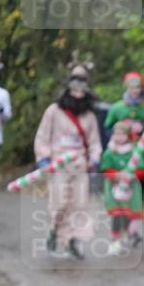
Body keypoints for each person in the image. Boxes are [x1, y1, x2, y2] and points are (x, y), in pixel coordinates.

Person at [34, 74, 103, 260]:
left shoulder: (89, 115)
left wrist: (94, 158)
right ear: (68, 89)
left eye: (82, 88)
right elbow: (42, 136)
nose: (78, 92)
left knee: (79, 205)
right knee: (59, 204)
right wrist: (43, 158)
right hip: (58, 165)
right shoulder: (54, 111)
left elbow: (94, 141)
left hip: (80, 166)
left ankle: (73, 241)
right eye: (75, 88)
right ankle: (54, 232)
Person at [105, 72, 144, 195]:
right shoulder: (117, 108)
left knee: (139, 180)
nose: (135, 91)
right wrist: (119, 135)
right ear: (126, 88)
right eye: (132, 88)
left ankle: (138, 203)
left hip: (143, 150)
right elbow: (107, 129)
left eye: (138, 87)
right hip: (122, 152)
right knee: (121, 179)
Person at [99, 120, 144, 254]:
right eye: (116, 134)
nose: (118, 137)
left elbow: (141, 168)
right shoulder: (109, 152)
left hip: (131, 188)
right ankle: (115, 240)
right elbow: (106, 169)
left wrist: (132, 175)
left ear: (128, 136)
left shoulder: (135, 151)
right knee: (117, 215)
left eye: (122, 134)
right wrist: (117, 175)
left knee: (133, 214)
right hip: (114, 188)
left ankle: (132, 234)